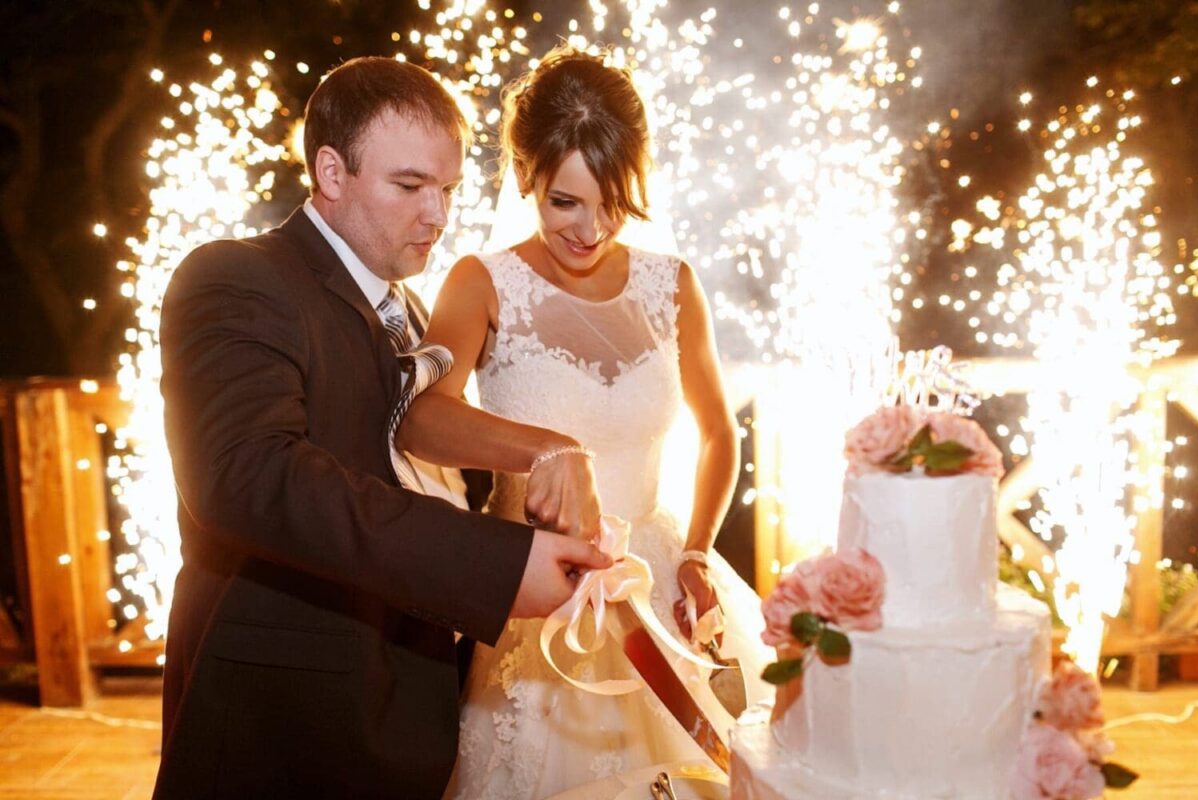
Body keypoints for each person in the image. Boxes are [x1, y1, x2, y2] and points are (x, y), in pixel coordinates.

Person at [153, 56, 611, 800]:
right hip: (286, 727)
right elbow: (250, 476)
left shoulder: (413, 314)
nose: (438, 216)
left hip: (405, 715)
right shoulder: (237, 276)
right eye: (409, 186)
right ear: (331, 173)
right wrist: (495, 566)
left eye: (448, 190)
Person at [397, 47, 773, 799]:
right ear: (525, 174)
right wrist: (550, 448)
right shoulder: (482, 283)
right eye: (565, 202)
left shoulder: (673, 286)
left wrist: (696, 552)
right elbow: (419, 420)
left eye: (613, 202)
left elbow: (717, 433)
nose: (590, 228)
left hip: (658, 586)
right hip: (535, 596)